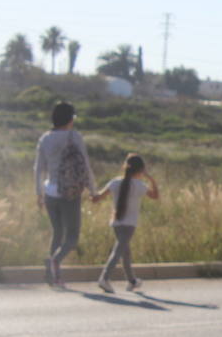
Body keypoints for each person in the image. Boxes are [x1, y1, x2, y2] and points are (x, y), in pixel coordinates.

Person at [34, 101, 95, 287]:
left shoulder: (45, 138)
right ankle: (55, 261)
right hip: (69, 192)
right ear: (70, 119)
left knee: (57, 233)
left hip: (50, 191)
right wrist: (93, 190)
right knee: (72, 236)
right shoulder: (75, 137)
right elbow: (85, 165)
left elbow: (38, 168)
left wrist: (38, 193)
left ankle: (52, 277)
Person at [91, 153, 159, 293]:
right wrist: (150, 178)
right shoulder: (140, 185)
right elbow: (155, 196)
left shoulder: (115, 182)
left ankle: (132, 281)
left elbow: (98, 198)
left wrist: (92, 193)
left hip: (116, 223)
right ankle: (104, 278)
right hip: (129, 224)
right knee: (118, 251)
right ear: (141, 170)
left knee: (125, 252)